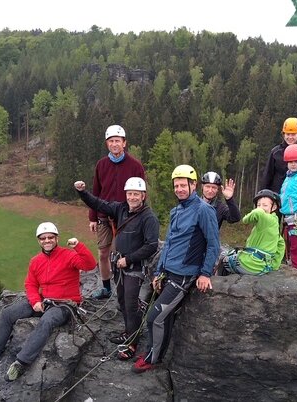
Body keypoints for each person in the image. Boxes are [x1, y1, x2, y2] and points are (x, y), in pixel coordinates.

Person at [0, 222, 97, 381]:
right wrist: (34, 301)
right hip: (44, 300)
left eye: (50, 237)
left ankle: (21, 362)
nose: (47, 241)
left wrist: (78, 246)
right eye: (43, 238)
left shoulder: (69, 255)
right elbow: (31, 284)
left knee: (47, 321)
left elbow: (90, 265)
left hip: (65, 304)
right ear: (39, 241)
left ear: (56, 238)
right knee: (8, 314)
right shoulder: (36, 261)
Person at [133, 165, 220, 374]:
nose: (179, 189)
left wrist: (205, 273)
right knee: (165, 315)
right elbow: (170, 243)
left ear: (193, 185)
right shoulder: (177, 210)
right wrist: (158, 272)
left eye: (183, 185)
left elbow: (213, 244)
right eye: (176, 186)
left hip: (184, 275)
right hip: (169, 271)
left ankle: (153, 359)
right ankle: (153, 351)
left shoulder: (204, 210)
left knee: (155, 316)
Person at [73, 177, 160, 360]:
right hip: (119, 265)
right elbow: (98, 204)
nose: (133, 197)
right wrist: (82, 192)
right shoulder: (120, 209)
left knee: (130, 304)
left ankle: (132, 343)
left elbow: (151, 245)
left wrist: (128, 259)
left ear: (143, 196)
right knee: (122, 302)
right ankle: (128, 332)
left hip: (133, 267)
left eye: (136, 194)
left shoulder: (148, 217)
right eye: (130, 194)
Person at [88, 124, 146, 300]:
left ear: (124, 143)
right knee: (103, 253)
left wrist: (139, 217)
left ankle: (124, 290)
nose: (114, 144)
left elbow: (142, 193)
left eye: (117, 141)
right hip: (104, 217)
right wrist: (92, 217)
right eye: (111, 141)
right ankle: (106, 288)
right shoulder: (101, 165)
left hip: (126, 218)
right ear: (107, 144)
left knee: (121, 254)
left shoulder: (135, 166)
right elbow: (95, 193)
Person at [219, 189, 285, 275]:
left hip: (251, 264)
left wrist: (246, 219)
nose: (261, 207)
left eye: (265, 205)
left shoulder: (266, 219)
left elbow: (258, 212)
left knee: (223, 258)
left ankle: (217, 285)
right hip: (264, 266)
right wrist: (274, 265)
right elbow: (281, 244)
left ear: (274, 207)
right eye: (258, 205)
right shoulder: (274, 224)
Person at [260, 117, 297, 194]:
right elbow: (267, 176)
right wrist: (262, 197)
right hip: (277, 198)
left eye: (293, 134)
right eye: (287, 134)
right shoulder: (275, 153)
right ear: (283, 134)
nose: (290, 137)